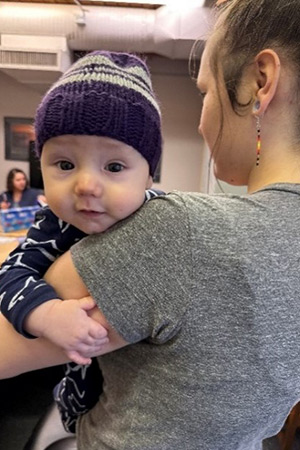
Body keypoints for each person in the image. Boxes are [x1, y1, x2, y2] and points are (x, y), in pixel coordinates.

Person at [1, 0, 300, 448]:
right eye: (64, 163)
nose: (201, 123)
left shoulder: (173, 233)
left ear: (261, 82)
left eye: (205, 93)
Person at [0, 51, 163, 433]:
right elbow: (10, 273)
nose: (86, 186)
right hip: (83, 404)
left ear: (148, 176)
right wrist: (46, 313)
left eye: (114, 167)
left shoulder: (163, 221)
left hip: (153, 405)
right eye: (65, 164)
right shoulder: (55, 224)